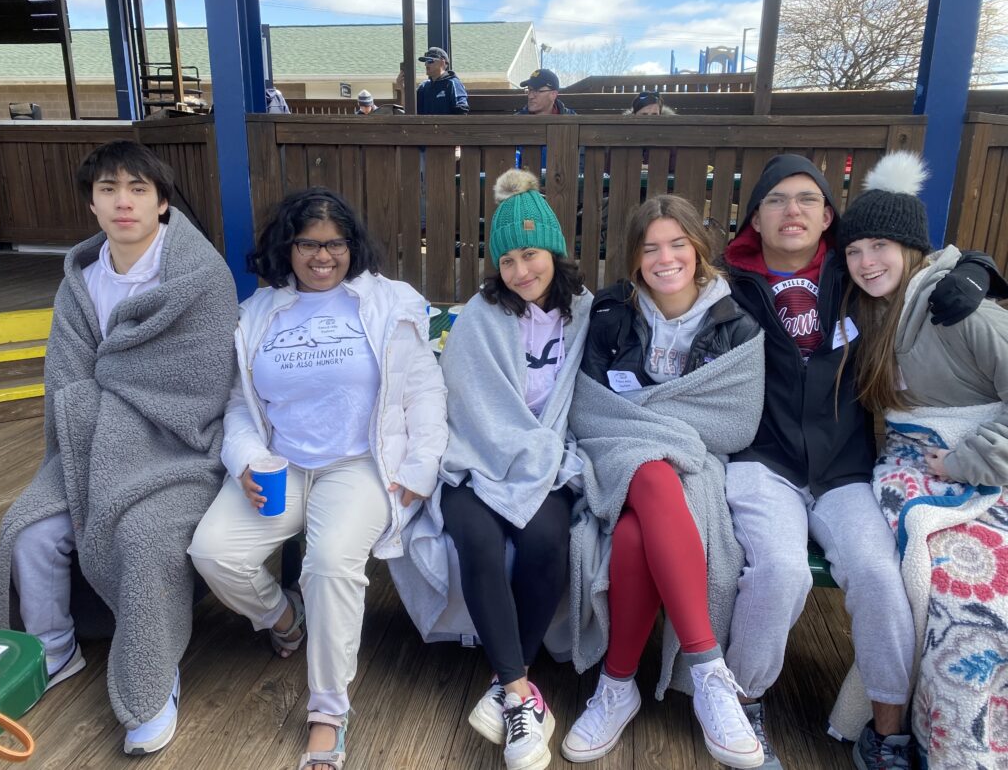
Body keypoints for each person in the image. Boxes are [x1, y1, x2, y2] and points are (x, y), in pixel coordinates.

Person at [720, 153, 996, 770]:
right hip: (763, 463)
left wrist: (979, 267)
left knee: (880, 575)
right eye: (776, 200)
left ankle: (888, 731)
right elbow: (656, 283)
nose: (792, 210)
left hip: (845, 466)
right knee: (781, 572)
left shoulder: (855, 276)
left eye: (808, 200)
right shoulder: (726, 285)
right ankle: (741, 706)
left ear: (827, 218)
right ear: (755, 220)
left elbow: (921, 265)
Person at [187, 187, 447, 770]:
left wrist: (419, 468)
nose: (322, 256)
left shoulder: (390, 301)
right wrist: (247, 461)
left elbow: (425, 389)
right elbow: (239, 405)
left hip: (359, 463)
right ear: (289, 246)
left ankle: (327, 712)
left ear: (352, 247)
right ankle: (284, 616)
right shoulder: (258, 312)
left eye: (335, 244)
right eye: (308, 243)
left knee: (329, 564)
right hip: (282, 463)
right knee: (213, 552)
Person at [0, 140, 237, 755]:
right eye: (108, 190)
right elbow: (66, 379)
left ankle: (152, 683)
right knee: (29, 530)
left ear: (161, 203)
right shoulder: (79, 282)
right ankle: (55, 648)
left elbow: (202, 382)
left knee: (146, 538)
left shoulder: (201, 276)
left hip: (176, 449)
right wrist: (103, 408)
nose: (122, 202)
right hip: (88, 443)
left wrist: (120, 400)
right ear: (93, 204)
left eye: (137, 190)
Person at [387, 168, 592, 770]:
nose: (521, 271)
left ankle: (507, 688)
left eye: (530, 254)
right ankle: (522, 694)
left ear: (553, 248)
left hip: (544, 460)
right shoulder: (481, 314)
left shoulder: (583, 313)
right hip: (474, 458)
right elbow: (472, 403)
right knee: (476, 540)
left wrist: (540, 452)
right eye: (507, 261)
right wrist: (516, 450)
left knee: (547, 543)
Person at [565, 195, 766, 767]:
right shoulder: (608, 313)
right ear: (634, 259)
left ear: (698, 250)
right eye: (650, 247)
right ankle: (709, 671)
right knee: (650, 471)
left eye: (677, 244)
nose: (665, 257)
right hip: (614, 453)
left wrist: (651, 422)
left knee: (632, 536)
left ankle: (617, 685)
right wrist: (656, 430)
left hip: (699, 464)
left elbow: (735, 421)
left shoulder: (736, 324)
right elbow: (589, 408)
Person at [835, 152, 1008, 769]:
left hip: (975, 460)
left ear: (911, 249)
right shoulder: (871, 309)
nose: (866, 262)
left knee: (985, 598)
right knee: (946, 585)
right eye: (854, 251)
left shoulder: (963, 310)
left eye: (879, 247)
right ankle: (932, 738)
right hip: (908, 462)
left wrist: (970, 461)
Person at [415, 46, 469, 115]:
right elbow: (412, 109)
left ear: (442, 62)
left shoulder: (453, 83)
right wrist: (402, 87)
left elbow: (462, 111)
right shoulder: (423, 86)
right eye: (425, 61)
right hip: (425, 125)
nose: (426, 64)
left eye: (430, 61)